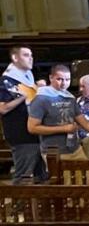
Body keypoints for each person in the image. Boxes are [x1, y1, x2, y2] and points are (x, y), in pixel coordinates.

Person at [27, 64, 82, 173]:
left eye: (67, 79)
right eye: (59, 79)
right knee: (63, 186)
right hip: (53, 150)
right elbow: (32, 128)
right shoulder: (41, 98)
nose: (64, 83)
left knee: (86, 180)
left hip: (74, 147)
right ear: (51, 78)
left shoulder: (70, 97)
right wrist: (63, 128)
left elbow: (84, 122)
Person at [1, 46, 37, 183]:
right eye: (26, 55)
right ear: (15, 58)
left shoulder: (27, 76)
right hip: (20, 133)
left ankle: (36, 204)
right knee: (23, 176)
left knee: (39, 175)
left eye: (31, 55)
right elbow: (3, 108)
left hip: (32, 132)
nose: (31, 58)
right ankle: (18, 203)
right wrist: (25, 95)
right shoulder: (7, 80)